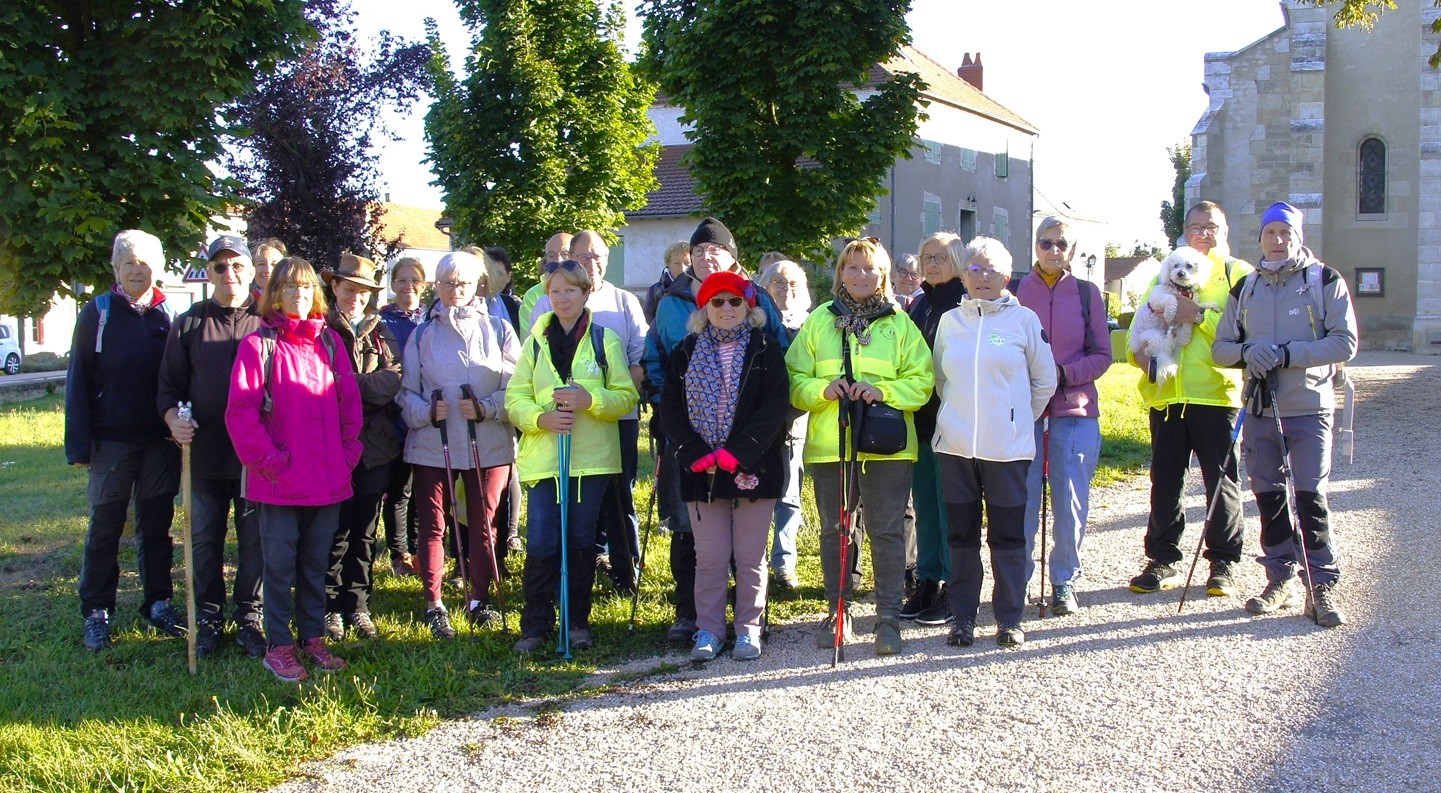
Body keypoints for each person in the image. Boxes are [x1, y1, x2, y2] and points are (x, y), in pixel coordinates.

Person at [642, 217, 789, 642]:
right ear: (704, 307)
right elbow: (665, 384)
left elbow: (775, 399)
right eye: (717, 303)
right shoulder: (680, 330)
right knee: (700, 548)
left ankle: (748, 626)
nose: (726, 308)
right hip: (694, 456)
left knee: (749, 554)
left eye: (733, 302)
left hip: (751, 459)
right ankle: (699, 622)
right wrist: (689, 446)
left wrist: (740, 450)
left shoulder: (763, 339)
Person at [1212, 201, 1358, 627]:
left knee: (1311, 496)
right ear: (1259, 239)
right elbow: (1221, 348)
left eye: (1285, 234)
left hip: (1309, 408)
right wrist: (1247, 353)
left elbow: (1345, 343)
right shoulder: (1246, 289)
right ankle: (1280, 577)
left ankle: (1322, 584)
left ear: (1299, 238)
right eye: (1270, 234)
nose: (1277, 241)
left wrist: (1286, 355)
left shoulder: (1324, 280)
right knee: (1269, 495)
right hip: (1260, 409)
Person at [786, 237, 933, 656]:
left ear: (883, 274)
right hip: (831, 443)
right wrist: (822, 388)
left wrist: (882, 391)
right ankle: (838, 609)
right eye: (853, 268)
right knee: (836, 528)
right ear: (840, 274)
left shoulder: (899, 324)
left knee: (886, 530)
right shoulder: (819, 321)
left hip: (887, 446)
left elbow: (922, 380)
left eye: (870, 268)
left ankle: (887, 616)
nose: (861, 276)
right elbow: (794, 378)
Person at [226, 256, 363, 683]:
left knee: (314, 563)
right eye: (290, 288)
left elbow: (349, 404)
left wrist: (347, 454)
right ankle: (279, 646)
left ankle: (313, 639)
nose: (299, 295)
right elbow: (241, 413)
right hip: (278, 481)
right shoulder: (258, 345)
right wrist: (268, 461)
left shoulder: (330, 343)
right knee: (279, 565)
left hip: (327, 478)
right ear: (276, 295)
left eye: (306, 288)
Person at [506, 261, 638, 652]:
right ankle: (535, 626)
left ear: (585, 294)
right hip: (546, 461)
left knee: (581, 542)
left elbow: (626, 396)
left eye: (570, 291)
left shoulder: (604, 340)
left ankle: (577, 621)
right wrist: (540, 417)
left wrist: (590, 400)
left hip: (592, 461)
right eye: (555, 291)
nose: (562, 299)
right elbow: (515, 399)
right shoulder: (534, 342)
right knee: (543, 542)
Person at [1127, 201, 1255, 597]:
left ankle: (1223, 562)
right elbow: (1139, 329)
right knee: (1165, 480)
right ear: (1184, 231)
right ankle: (1162, 557)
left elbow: (1246, 331)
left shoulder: (1238, 274)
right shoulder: (1166, 271)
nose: (1203, 233)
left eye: (1211, 226)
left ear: (1225, 229)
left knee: (1221, 481)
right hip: (1167, 396)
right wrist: (1145, 362)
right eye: (1195, 226)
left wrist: (1196, 315)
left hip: (1215, 395)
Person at [932, 237, 1056, 648]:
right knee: (961, 537)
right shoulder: (951, 322)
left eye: (990, 270)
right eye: (974, 269)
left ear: (1006, 276)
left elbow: (1044, 381)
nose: (981, 276)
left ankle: (1008, 617)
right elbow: (940, 379)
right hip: (955, 447)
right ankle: (963, 615)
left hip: (1007, 448)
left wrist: (1018, 417)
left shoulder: (1023, 322)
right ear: (964, 275)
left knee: (1007, 537)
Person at [66, 229, 185, 652]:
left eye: (146, 262)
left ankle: (158, 602)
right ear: (116, 268)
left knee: (156, 526)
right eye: (129, 262)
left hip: (159, 443)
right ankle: (97, 610)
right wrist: (78, 446)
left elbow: (180, 377)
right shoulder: (97, 313)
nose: (138, 269)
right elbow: (78, 379)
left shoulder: (169, 315)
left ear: (160, 269)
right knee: (105, 527)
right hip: (111, 442)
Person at [396, 250, 519, 638]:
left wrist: (485, 408)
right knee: (433, 525)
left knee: (485, 522)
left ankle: (479, 599)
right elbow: (406, 393)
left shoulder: (500, 329)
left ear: (475, 285)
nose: (454, 291)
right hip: (435, 441)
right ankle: (434, 602)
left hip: (488, 441)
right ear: (436, 285)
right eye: (447, 283)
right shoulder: (422, 334)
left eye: (462, 283)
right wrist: (425, 412)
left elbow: (515, 390)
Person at [156, 234, 266, 659]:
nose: (229, 274)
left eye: (237, 265)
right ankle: (207, 619)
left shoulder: (267, 321)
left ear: (251, 269)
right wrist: (172, 421)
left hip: (255, 458)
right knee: (204, 541)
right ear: (209, 272)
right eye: (220, 267)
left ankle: (250, 619)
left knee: (254, 539)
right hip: (203, 456)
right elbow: (167, 388)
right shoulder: (189, 322)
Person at [531, 231, 649, 593]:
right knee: (574, 506)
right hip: (562, 425)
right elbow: (534, 363)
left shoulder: (624, 300)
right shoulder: (546, 303)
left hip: (615, 418)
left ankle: (625, 570)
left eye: (597, 256)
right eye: (583, 257)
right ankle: (584, 564)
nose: (591, 263)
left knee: (618, 496)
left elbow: (639, 359)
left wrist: (603, 396)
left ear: (607, 258)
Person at [1015, 218, 1112, 615]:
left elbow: (1103, 355)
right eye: (1046, 242)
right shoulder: (1015, 290)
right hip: (1024, 411)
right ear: (1035, 246)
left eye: (1062, 244)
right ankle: (1017, 579)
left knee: (1070, 500)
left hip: (1075, 409)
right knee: (1022, 501)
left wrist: (1065, 374)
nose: (1053, 250)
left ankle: (1064, 580)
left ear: (1071, 251)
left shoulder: (1088, 294)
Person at [322, 254, 402, 641]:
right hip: (331, 445)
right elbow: (316, 386)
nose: (356, 297)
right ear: (335, 287)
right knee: (334, 530)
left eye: (364, 291)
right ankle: (329, 608)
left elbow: (393, 380)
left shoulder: (380, 331)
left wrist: (348, 387)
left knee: (365, 530)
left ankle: (358, 605)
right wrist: (362, 389)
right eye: (349, 289)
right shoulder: (320, 329)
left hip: (375, 446)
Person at [900, 232, 965, 626]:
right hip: (921, 420)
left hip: (955, 419)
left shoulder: (965, 302)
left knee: (950, 506)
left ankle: (953, 585)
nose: (932, 265)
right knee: (924, 503)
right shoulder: (919, 305)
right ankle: (927, 579)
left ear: (957, 260)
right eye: (927, 258)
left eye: (940, 257)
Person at [753, 259, 812, 588]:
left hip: (794, 421)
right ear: (764, 286)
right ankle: (754, 560)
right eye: (778, 282)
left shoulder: (812, 324)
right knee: (757, 492)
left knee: (789, 493)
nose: (786, 289)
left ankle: (784, 562)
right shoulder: (755, 323)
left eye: (793, 284)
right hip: (758, 423)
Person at [378, 256, 428, 578]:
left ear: (424, 285)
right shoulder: (383, 322)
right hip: (394, 416)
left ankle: (422, 548)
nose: (408, 286)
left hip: (427, 415)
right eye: (401, 280)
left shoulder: (432, 320)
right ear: (392, 285)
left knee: (423, 490)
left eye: (414, 281)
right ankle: (400, 553)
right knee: (399, 490)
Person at [518, 232, 573, 342]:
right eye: (552, 255)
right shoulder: (533, 295)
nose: (559, 260)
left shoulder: (588, 288)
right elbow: (528, 342)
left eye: (565, 253)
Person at [643, 241, 690, 326]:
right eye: (677, 263)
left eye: (687, 263)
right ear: (668, 265)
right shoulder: (655, 291)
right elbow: (648, 321)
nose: (683, 268)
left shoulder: (700, 288)